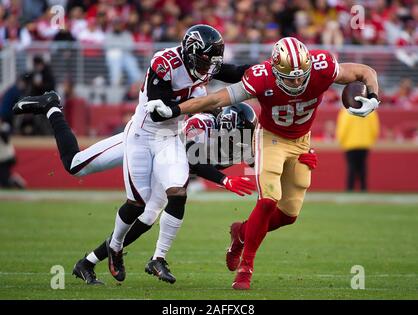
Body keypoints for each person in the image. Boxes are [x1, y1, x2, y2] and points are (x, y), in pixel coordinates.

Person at [13, 24, 254, 285]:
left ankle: (103, 261)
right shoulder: (165, 64)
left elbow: (236, 73)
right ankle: (52, 107)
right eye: (206, 62)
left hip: (168, 140)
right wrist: (222, 177)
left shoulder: (207, 69)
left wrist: (268, 72)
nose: (210, 70)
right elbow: (157, 112)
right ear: (192, 53)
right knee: (79, 168)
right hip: (140, 136)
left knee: (162, 204)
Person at [145, 36, 380, 290]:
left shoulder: (322, 66)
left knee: (289, 215)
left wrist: (374, 98)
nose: (298, 82)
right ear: (276, 70)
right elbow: (216, 99)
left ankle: (241, 234)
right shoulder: (261, 77)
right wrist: (176, 109)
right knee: (269, 198)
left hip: (302, 140)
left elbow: (365, 72)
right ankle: (246, 268)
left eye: (302, 75)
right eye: (291, 77)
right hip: (271, 138)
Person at [336, 108, 380, 192]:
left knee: (351, 166)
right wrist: (372, 139)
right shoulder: (370, 110)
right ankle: (363, 187)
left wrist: (341, 140)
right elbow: (375, 128)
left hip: (350, 143)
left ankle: (350, 188)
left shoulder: (346, 111)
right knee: (363, 166)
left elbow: (343, 127)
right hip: (365, 143)